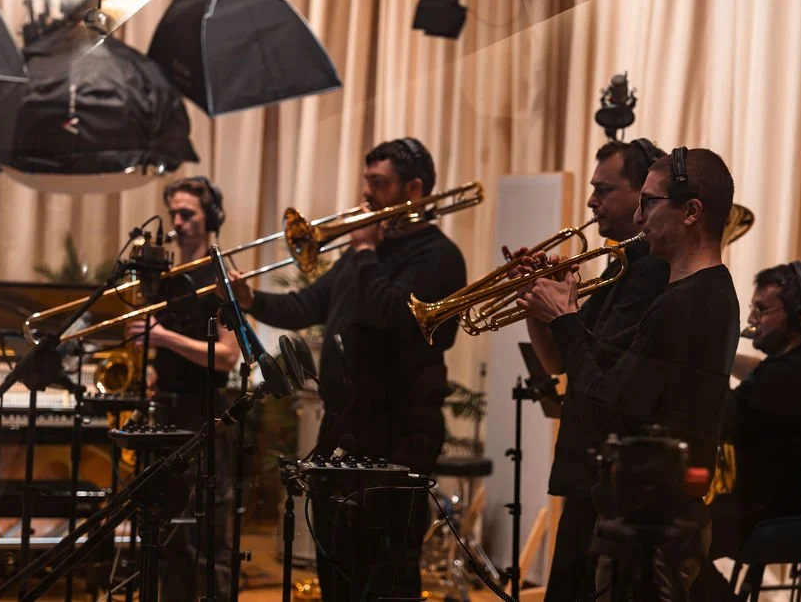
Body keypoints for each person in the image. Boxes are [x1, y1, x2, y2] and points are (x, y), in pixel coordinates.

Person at [228, 138, 467, 602]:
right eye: (366, 182)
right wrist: (251, 300)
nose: (365, 195)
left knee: (386, 572)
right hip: (347, 429)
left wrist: (362, 253)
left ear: (413, 189)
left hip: (399, 433)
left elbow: (389, 312)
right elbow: (304, 305)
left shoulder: (437, 257)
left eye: (379, 184)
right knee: (335, 559)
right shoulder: (367, 255)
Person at [517, 147, 741, 600]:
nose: (638, 218)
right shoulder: (702, 295)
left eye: (650, 203)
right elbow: (616, 371)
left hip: (650, 525)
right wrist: (556, 311)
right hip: (651, 514)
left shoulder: (685, 303)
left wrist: (565, 320)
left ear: (692, 211)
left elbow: (607, 406)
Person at [519, 139, 670, 602]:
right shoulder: (616, 266)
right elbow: (558, 362)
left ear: (641, 195)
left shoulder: (650, 273)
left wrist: (561, 314)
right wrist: (536, 298)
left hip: (616, 475)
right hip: (590, 465)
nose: (590, 201)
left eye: (604, 190)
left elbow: (601, 369)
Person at [126, 175, 241, 602]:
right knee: (169, 530)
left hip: (206, 412)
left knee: (207, 532)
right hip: (169, 412)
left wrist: (164, 338)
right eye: (173, 212)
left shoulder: (222, 276)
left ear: (210, 218)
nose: (177, 221)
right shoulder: (170, 277)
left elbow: (228, 356)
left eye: (187, 213)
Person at [707, 262, 801, 559]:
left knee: (673, 530)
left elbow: (721, 416)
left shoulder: (781, 378)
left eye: (762, 310)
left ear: (798, 316)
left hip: (777, 513)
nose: (751, 319)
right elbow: (766, 372)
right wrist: (724, 355)